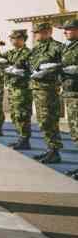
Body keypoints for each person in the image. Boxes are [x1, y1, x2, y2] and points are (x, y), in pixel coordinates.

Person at [28, 21, 64, 163]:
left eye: (39, 32)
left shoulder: (57, 47)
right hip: (37, 88)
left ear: (48, 32)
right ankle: (50, 149)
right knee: (43, 121)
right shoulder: (37, 48)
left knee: (50, 120)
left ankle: (55, 151)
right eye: (35, 32)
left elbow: (63, 66)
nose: (36, 35)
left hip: (49, 90)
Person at [3, 29, 33, 150]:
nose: (14, 40)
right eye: (12, 38)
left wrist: (21, 72)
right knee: (15, 115)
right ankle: (20, 138)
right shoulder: (10, 53)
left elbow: (33, 71)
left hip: (23, 88)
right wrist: (6, 66)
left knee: (23, 114)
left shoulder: (28, 53)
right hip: (12, 87)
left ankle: (25, 139)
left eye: (17, 38)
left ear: (23, 39)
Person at [58, 19, 78, 177]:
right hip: (70, 93)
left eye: (68, 29)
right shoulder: (67, 47)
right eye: (64, 30)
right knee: (74, 131)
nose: (65, 32)